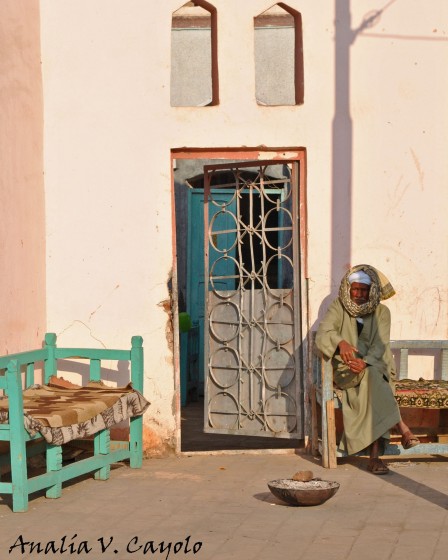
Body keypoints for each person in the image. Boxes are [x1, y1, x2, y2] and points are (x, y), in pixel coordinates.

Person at [315, 264, 419, 474]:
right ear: (348, 288)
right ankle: (401, 428)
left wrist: (366, 361)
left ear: (371, 290)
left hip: (374, 366)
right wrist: (340, 342)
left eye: (364, 290)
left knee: (372, 378)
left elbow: (381, 345)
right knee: (375, 383)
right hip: (346, 370)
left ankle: (375, 458)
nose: (359, 294)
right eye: (355, 289)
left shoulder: (382, 312)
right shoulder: (338, 307)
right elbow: (324, 333)